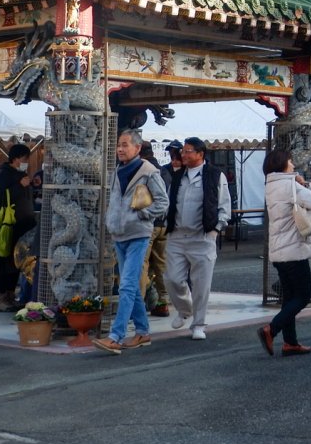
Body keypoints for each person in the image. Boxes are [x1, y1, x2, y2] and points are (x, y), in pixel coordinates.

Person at [257, 149, 311, 357]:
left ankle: (290, 343)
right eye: (290, 161)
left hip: (278, 251)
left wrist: (295, 181)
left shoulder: (271, 185)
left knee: (289, 298)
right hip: (294, 250)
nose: (293, 165)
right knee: (303, 296)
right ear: (282, 164)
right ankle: (272, 329)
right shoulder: (290, 186)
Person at [93, 130, 169, 354]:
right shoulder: (118, 170)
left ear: (137, 148)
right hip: (119, 234)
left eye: (125, 145)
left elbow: (163, 202)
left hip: (138, 234)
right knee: (132, 286)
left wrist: (143, 215)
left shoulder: (149, 171)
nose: (120, 149)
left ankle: (115, 336)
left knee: (126, 285)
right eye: (119, 145)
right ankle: (143, 332)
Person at [163, 136, 232, 341]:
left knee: (201, 283)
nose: (183, 154)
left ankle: (199, 324)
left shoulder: (214, 175)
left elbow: (224, 204)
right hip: (176, 235)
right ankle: (185, 309)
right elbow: (167, 200)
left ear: (200, 154)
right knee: (172, 278)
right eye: (183, 151)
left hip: (202, 236)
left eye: (188, 151)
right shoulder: (176, 175)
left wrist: (217, 229)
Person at [0, 143, 36, 312]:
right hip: (8, 227)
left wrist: (31, 183)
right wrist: (19, 186)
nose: (26, 163)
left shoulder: (19, 174)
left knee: (15, 262)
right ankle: (1, 297)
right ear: (16, 159)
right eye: (24, 159)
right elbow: (0, 196)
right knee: (4, 262)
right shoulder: (4, 175)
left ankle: (10, 295)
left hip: (21, 227)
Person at [143, 139, 182, 318]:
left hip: (148, 223)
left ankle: (138, 304)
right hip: (164, 224)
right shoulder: (164, 171)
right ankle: (163, 303)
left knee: (141, 265)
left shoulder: (143, 170)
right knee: (161, 265)